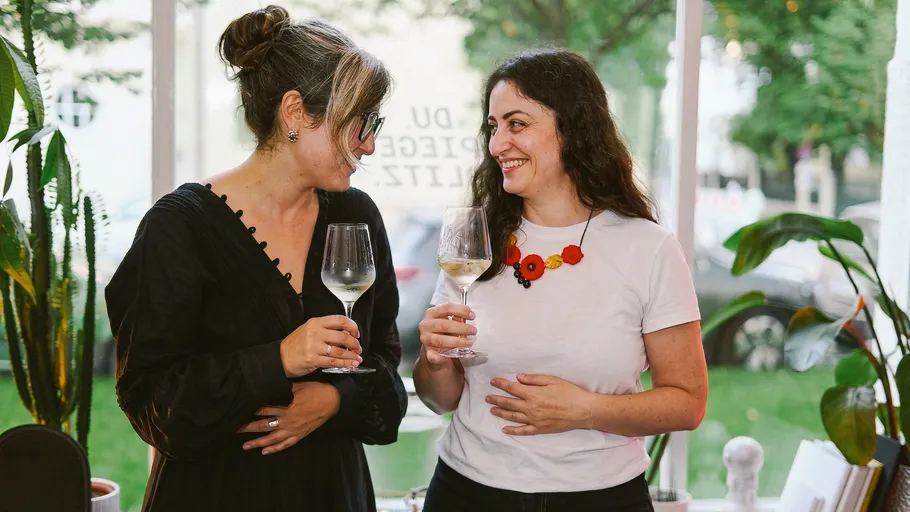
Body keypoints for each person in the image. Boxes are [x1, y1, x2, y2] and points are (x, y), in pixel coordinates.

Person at [106, 6, 406, 511]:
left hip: (333, 492)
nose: (370, 145)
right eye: (359, 123)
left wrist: (334, 400)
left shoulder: (355, 216)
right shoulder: (179, 227)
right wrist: (280, 359)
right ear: (295, 113)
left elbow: (384, 367)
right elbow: (154, 403)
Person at [414, 48, 708, 511]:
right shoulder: (477, 241)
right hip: (467, 493)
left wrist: (585, 410)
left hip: (602, 499)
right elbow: (440, 400)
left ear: (572, 127)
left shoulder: (648, 248)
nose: (496, 145)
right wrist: (434, 361)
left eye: (517, 123)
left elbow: (687, 403)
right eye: (493, 127)